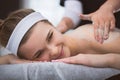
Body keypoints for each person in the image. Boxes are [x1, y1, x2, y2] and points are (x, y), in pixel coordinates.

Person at [0, 9, 120, 70]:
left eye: (50, 36)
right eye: (39, 53)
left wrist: (107, 60)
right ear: (28, 60)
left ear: (53, 25)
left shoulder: (92, 37)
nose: (54, 51)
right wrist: (10, 59)